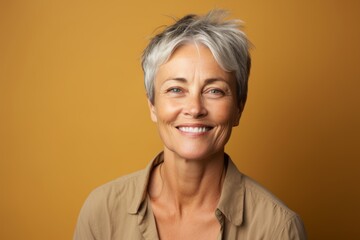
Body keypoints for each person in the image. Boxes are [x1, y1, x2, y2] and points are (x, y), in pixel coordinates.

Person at [74, 10, 307, 240]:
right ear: (152, 105)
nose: (195, 108)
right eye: (176, 89)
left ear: (239, 107)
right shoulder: (102, 212)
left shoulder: (278, 228)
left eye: (214, 91)